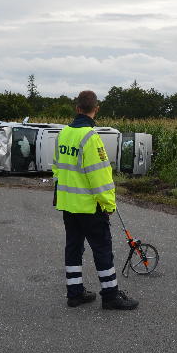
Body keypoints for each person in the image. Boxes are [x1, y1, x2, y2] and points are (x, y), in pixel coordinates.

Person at [52, 90, 138, 310]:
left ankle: (75, 293)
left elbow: (56, 169)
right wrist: (109, 204)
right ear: (95, 109)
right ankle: (110, 296)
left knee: (73, 247)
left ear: (77, 108)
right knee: (102, 250)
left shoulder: (63, 134)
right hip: (90, 207)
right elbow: (100, 176)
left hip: (68, 205)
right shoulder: (91, 137)